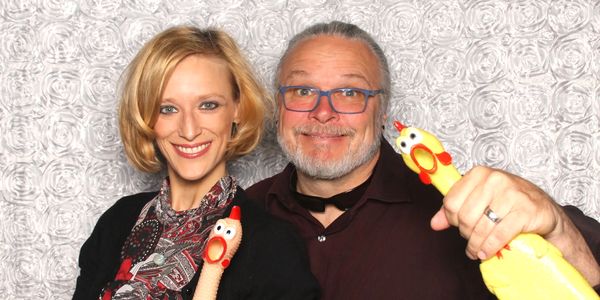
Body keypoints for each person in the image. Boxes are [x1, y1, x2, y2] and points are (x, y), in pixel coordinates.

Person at [246, 21, 600, 299]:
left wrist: (560, 230)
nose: (323, 112)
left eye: (350, 93)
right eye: (302, 91)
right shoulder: (238, 212)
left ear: (382, 110)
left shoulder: (468, 208)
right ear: (278, 106)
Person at [73, 26, 319, 300]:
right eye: (168, 109)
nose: (189, 130)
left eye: (208, 105)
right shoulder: (117, 221)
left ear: (237, 109)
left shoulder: (272, 244)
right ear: (147, 118)